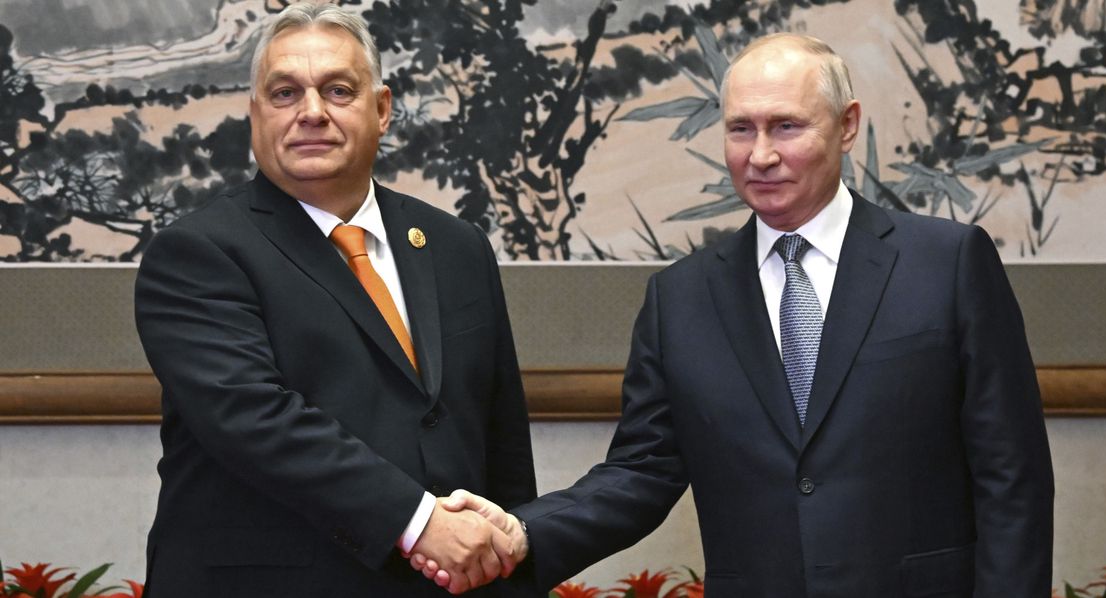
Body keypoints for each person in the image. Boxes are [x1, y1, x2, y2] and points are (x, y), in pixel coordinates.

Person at [417, 33, 1054, 596]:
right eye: (740, 128)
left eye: (786, 127)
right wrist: (524, 531)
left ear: (847, 123)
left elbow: (1013, 477)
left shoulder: (946, 263)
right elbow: (641, 471)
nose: (760, 154)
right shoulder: (681, 298)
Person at [133, 3, 535, 596]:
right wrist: (418, 521)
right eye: (285, 93)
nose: (311, 113)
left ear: (382, 108)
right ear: (254, 113)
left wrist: (513, 562)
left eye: (338, 90)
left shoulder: (457, 245)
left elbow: (499, 437)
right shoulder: (196, 253)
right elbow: (255, 420)